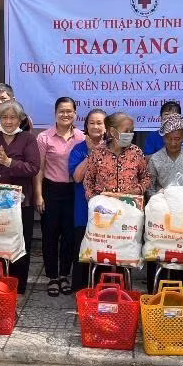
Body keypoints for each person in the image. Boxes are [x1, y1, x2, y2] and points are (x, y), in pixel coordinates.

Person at [0, 101, 40, 294]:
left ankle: (17, 287)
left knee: (19, 243)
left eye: (12, 117)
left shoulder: (28, 139)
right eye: (4, 117)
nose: (9, 121)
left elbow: (33, 168)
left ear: (20, 119)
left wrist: (10, 162)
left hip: (20, 202)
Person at [145, 113, 183, 293]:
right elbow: (150, 186)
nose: (173, 142)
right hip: (161, 215)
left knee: (181, 255)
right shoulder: (155, 159)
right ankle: (155, 294)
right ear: (163, 137)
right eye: (169, 138)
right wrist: (159, 200)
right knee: (158, 254)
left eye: (177, 138)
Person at [35, 97, 85, 297]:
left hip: (73, 191)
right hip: (51, 190)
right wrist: (38, 194)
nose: (66, 114)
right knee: (50, 234)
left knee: (69, 236)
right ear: (55, 113)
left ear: (75, 114)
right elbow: (39, 168)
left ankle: (65, 274)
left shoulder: (81, 137)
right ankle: (52, 277)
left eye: (69, 111)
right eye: (62, 111)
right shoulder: (44, 138)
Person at [68, 108, 106, 290]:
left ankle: (101, 290)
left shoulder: (112, 149)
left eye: (100, 123)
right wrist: (92, 154)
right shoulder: (78, 149)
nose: (96, 126)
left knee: (104, 252)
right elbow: (76, 177)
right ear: (86, 126)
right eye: (92, 123)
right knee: (82, 251)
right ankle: (80, 291)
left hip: (107, 212)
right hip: (83, 209)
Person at [83, 112, 151, 198]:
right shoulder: (97, 152)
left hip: (130, 205)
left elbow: (146, 177)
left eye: (131, 131)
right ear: (112, 131)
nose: (129, 134)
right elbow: (88, 180)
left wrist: (137, 190)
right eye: (126, 131)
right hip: (104, 206)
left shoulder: (136, 152)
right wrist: (94, 200)